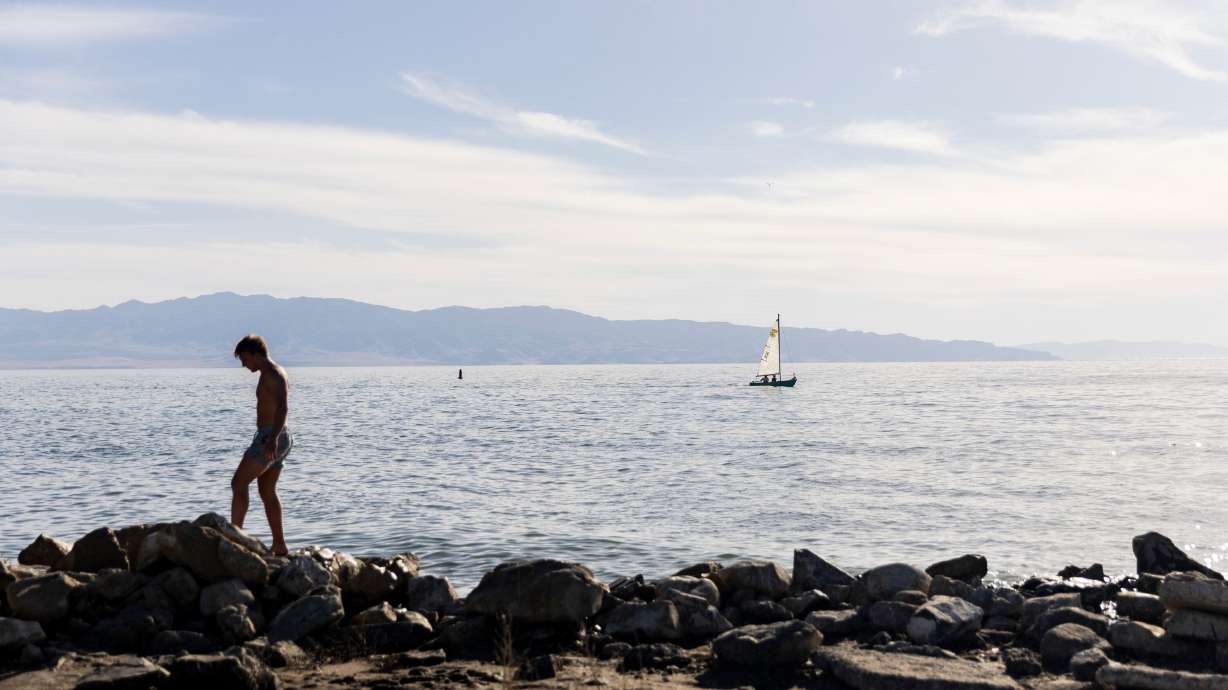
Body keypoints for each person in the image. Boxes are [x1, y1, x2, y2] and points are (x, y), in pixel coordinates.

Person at [231, 334, 292, 556]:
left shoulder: (273, 375)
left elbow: (283, 409)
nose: (244, 364)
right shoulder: (270, 373)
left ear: (255, 354)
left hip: (271, 437)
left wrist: (272, 439)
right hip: (276, 436)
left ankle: (235, 539)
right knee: (267, 491)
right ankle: (280, 545)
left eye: (244, 359)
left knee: (238, 483)